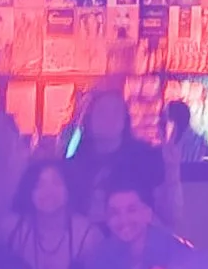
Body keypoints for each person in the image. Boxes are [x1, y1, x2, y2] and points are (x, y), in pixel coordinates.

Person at [65, 85, 170, 225]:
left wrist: (172, 170)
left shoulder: (145, 157)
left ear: (125, 119)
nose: (109, 118)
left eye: (115, 112)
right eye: (102, 112)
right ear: (89, 120)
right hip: (88, 239)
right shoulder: (75, 163)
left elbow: (168, 215)